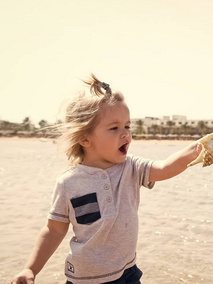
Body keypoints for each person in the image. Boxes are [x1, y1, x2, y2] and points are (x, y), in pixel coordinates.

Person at [11, 74, 203, 284]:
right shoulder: (69, 183)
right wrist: (30, 269)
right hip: (83, 278)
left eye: (127, 126)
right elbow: (54, 230)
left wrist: (196, 149)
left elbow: (165, 167)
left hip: (127, 273)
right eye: (114, 128)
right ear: (84, 138)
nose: (126, 134)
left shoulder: (132, 168)